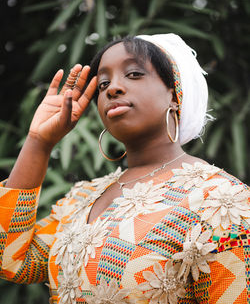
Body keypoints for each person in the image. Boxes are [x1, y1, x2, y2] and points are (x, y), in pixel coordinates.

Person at [0, 33, 249, 304]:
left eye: (133, 74)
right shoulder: (82, 199)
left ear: (175, 93)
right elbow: (10, 259)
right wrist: (38, 142)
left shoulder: (222, 201)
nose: (112, 88)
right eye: (104, 82)